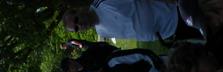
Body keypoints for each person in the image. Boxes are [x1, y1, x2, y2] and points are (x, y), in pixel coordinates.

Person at [63, 0, 204, 43]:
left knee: (209, 15)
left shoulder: (103, 3)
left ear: (78, 10)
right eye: (76, 28)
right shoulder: (101, 32)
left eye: (76, 20)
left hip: (174, 13)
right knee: (205, 34)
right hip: (169, 33)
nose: (80, 25)